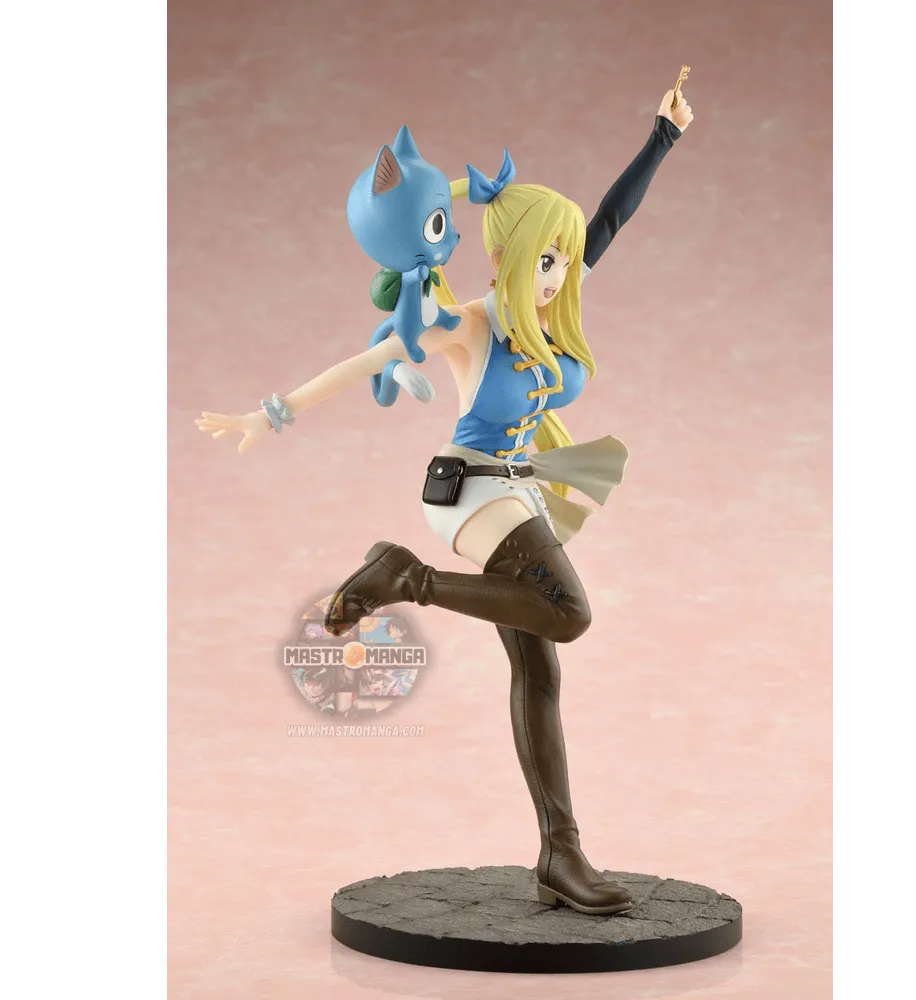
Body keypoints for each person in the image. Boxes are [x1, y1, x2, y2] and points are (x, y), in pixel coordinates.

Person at [197, 88, 694, 915]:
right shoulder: (472, 322)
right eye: (542, 260)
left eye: (562, 261)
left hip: (515, 485)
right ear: (506, 258)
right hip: (466, 487)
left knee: (538, 665)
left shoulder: (549, 305)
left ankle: (559, 854)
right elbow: (368, 361)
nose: (556, 275)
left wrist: (663, 136)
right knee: (568, 613)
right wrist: (269, 413)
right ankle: (406, 577)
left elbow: (608, 221)